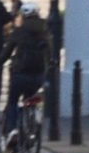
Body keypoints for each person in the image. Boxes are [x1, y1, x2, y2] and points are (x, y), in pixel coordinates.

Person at [3, 7, 52, 136]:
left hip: (20, 74)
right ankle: (33, 123)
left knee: (12, 101)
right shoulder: (44, 32)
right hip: (38, 76)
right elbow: (50, 54)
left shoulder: (18, 32)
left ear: (23, 17)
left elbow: (6, 53)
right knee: (32, 98)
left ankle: (13, 129)